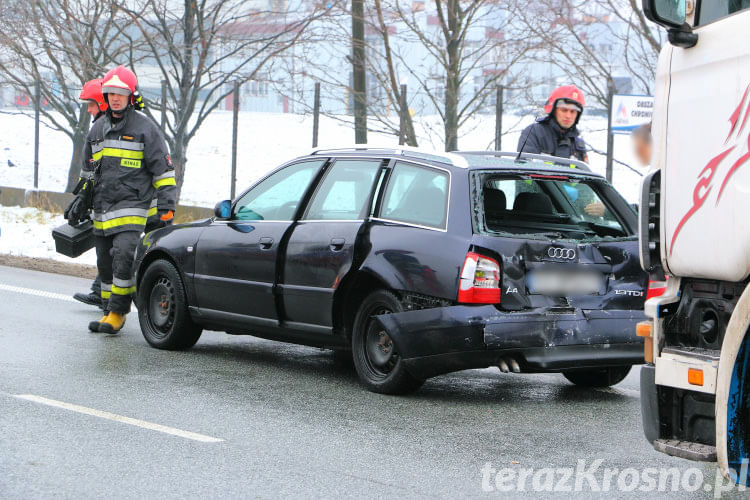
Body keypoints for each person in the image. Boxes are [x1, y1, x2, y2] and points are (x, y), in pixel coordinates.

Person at [67, 65, 176, 334]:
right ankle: (108, 311)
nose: (115, 98)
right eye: (111, 93)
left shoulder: (145, 129)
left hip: (133, 209)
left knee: (123, 258)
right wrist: (81, 197)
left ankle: (118, 312)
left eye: (120, 93)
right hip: (102, 212)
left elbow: (163, 172)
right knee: (104, 263)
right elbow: (89, 172)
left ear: (131, 96)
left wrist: (166, 208)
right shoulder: (97, 131)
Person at [517, 85, 606, 217]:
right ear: (553, 109)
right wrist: (565, 192)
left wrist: (599, 209)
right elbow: (525, 179)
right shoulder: (533, 134)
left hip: (570, 220)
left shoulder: (578, 145)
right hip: (533, 215)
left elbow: (585, 186)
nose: (568, 115)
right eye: (564, 110)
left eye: (573, 112)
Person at [72, 78, 108, 309]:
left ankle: (107, 296)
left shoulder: (104, 129)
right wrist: (82, 197)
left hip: (116, 202)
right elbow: (90, 170)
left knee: (114, 249)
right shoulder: (100, 127)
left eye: (91, 104)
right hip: (105, 200)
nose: (89, 109)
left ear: (102, 103)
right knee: (108, 248)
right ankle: (101, 292)